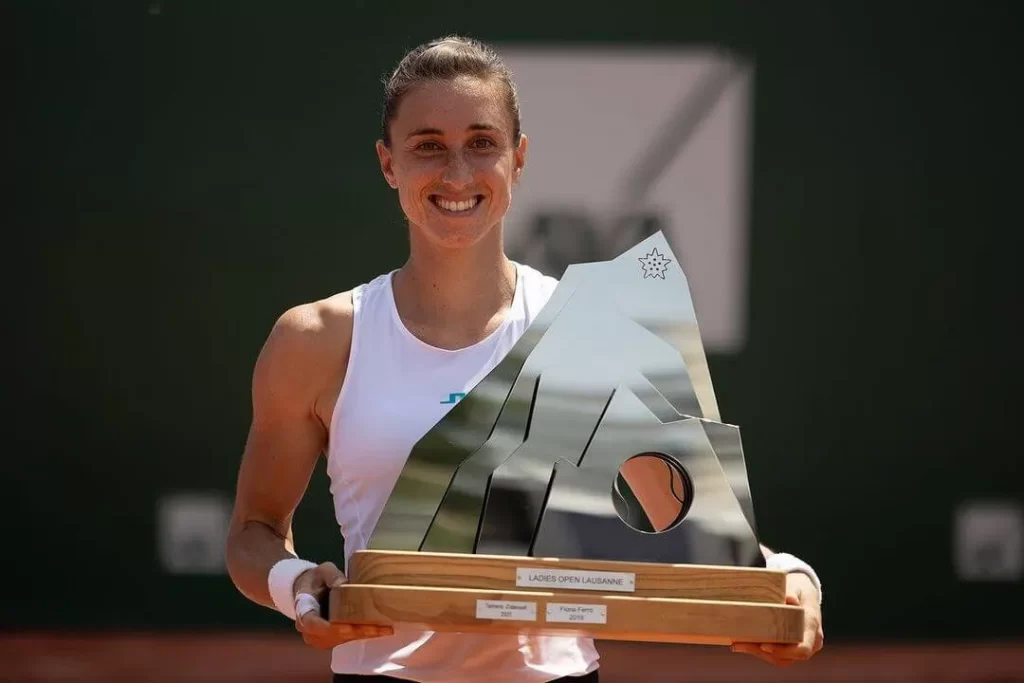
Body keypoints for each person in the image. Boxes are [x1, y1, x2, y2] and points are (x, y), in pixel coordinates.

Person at [225, 35, 824, 683]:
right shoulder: (315, 340)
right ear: (388, 163)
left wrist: (791, 575)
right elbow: (253, 531)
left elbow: (704, 538)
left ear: (519, 159)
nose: (456, 173)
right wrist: (295, 584)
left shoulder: (593, 334)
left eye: (483, 142)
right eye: (428, 145)